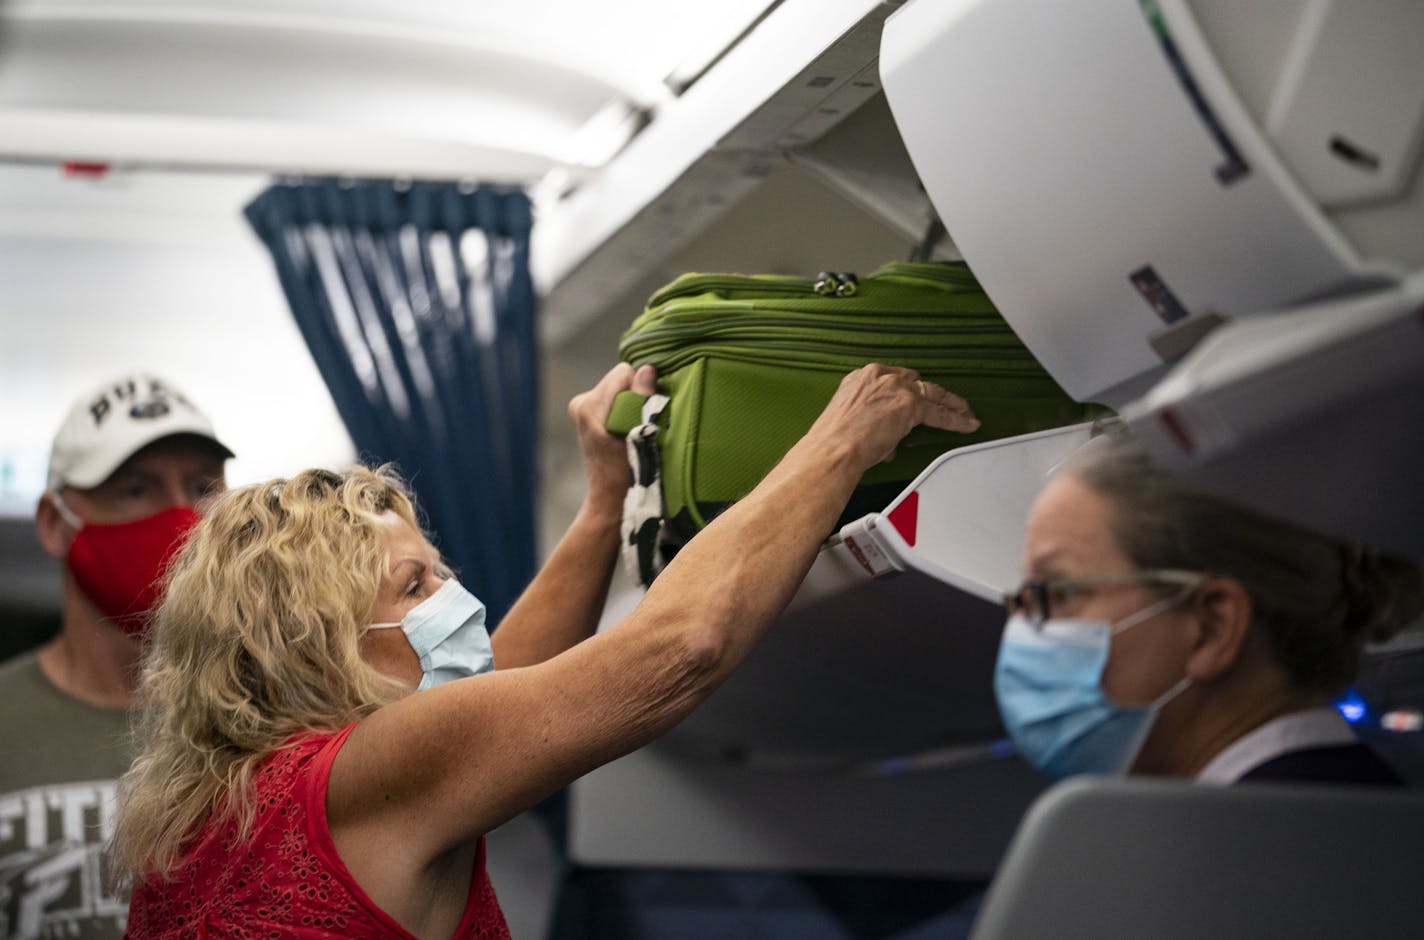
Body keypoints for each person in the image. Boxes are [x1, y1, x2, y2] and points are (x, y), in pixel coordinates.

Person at [110, 362, 980, 939]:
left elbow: (507, 689)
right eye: (416, 588)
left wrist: (606, 501)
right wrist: (842, 443)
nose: (456, 603)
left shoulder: (228, 805)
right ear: (313, 649)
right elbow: (677, 648)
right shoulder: (362, 772)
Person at [994, 429, 1422, 785]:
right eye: (1022, 600)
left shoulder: (1251, 857)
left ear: (1212, 626)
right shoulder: (1350, 806)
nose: (1020, 628)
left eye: (1058, 593)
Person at [0, 373, 233, 940]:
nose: (182, 520)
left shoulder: (272, 719)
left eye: (203, 488)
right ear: (56, 523)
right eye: (137, 489)